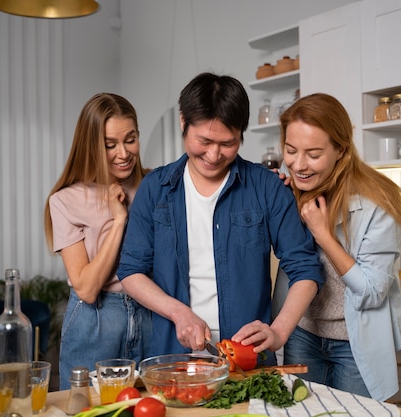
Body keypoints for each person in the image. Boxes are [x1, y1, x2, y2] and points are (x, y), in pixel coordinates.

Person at [116, 72, 324, 362]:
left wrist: (278, 332)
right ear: (183, 122)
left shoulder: (267, 187)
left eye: (228, 143)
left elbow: (305, 268)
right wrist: (178, 313)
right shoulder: (155, 188)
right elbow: (131, 272)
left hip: (248, 360)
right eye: (204, 141)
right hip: (172, 358)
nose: (214, 155)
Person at [275, 93, 401, 401]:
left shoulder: (379, 202)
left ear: (340, 149)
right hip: (303, 335)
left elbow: (372, 292)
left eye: (313, 154)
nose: (298, 165)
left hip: (355, 343)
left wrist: (324, 235)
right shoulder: (291, 193)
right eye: (290, 150)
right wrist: (269, 194)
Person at [43, 93, 151, 390]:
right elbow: (88, 289)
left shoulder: (156, 186)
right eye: (109, 145)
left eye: (130, 140)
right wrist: (119, 220)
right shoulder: (65, 200)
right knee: (87, 409)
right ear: (91, 146)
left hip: (152, 314)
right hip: (96, 321)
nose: (123, 153)